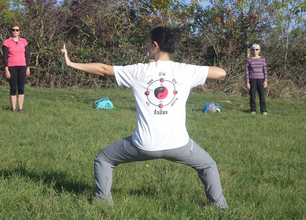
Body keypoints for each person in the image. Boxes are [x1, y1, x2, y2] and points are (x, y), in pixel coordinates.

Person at [61, 26, 228, 212]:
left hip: (143, 145)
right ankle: (221, 209)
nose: (147, 47)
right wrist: (195, 71)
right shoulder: (185, 71)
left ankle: (103, 205)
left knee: (104, 159)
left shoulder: (137, 71)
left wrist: (71, 63)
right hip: (179, 145)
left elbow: (103, 69)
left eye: (148, 43)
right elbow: (221, 73)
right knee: (208, 165)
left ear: (155, 45)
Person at [2, 24, 30, 112]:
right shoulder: (7, 42)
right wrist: (6, 70)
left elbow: (27, 55)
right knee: (13, 88)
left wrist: (28, 67)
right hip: (11, 67)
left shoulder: (24, 41)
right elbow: (5, 57)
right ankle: (14, 108)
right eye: (13, 30)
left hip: (22, 67)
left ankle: (20, 108)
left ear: (20, 31)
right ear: (11, 31)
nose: (15, 31)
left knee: (21, 88)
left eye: (17, 30)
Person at [245, 44, 268, 115]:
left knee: (262, 96)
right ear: (251, 51)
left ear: (259, 50)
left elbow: (265, 70)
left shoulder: (262, 59)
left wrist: (265, 81)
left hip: (261, 79)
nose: (255, 51)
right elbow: (247, 71)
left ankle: (263, 110)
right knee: (252, 96)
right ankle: (253, 110)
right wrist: (247, 82)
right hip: (252, 80)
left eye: (256, 49)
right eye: (253, 49)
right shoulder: (249, 60)